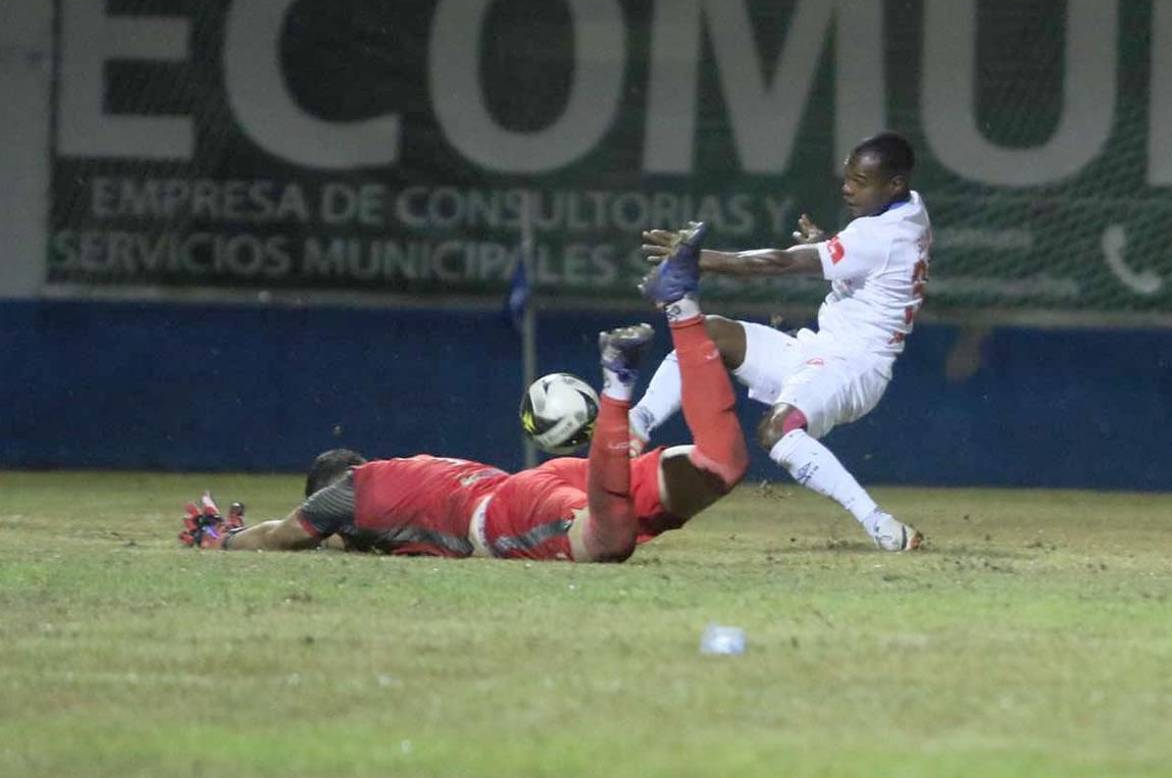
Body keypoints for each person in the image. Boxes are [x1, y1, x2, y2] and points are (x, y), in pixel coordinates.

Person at [180, 230, 748, 563]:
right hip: (542, 481)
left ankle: (617, 388)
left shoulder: (352, 493)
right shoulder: (419, 468)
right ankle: (680, 306)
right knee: (719, 465)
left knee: (608, 541)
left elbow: (282, 535)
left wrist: (221, 539)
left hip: (502, 514)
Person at [628, 132, 930, 551]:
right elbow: (869, 267)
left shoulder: (882, 235)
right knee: (709, 332)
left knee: (777, 431)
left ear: (894, 184)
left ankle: (878, 523)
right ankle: (636, 423)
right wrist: (826, 248)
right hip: (821, 350)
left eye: (860, 180)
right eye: (847, 176)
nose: (847, 187)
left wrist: (699, 259)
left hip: (854, 367)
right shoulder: (910, 209)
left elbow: (781, 262)